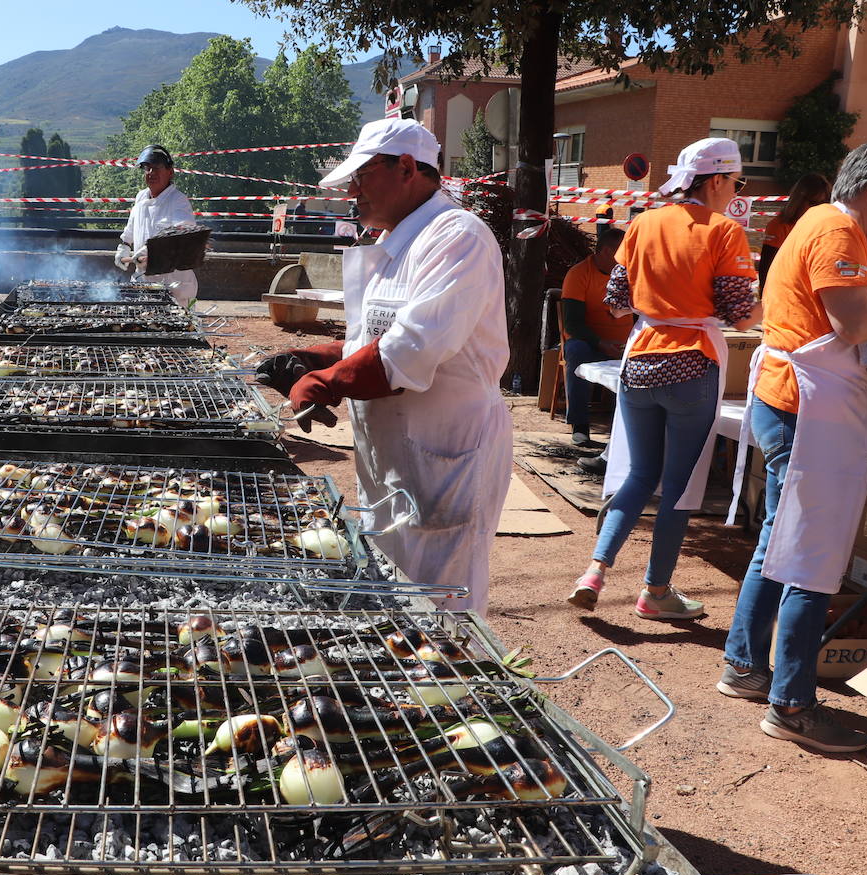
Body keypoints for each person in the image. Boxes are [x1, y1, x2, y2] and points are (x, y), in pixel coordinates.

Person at [253, 118, 510, 612]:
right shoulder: (396, 243)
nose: (353, 191)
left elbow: (411, 349)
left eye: (362, 177)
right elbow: (373, 340)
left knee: (441, 607)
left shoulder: (457, 237)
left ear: (408, 168)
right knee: (393, 594)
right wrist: (310, 359)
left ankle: (454, 688)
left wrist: (327, 381)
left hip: (446, 454)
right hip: (392, 455)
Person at [719, 138, 867, 753]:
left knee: (781, 538)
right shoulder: (838, 232)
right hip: (805, 408)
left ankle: (743, 664)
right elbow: (853, 324)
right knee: (812, 555)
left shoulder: (822, 223)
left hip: (791, 398)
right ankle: (791, 703)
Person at [567, 137, 761, 619]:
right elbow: (741, 316)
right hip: (693, 363)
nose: (734, 190)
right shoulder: (724, 230)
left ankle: (594, 569)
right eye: (735, 182)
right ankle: (655, 592)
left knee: (639, 474)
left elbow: (617, 300)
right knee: (678, 485)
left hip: (641, 360)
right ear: (716, 180)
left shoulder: (644, 221)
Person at [560, 226, 632, 446]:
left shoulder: (631, 274)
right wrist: (601, 344)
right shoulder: (579, 274)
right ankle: (580, 424)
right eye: (624, 251)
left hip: (626, 345)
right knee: (576, 351)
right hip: (591, 344)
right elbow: (572, 323)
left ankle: (632, 431)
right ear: (608, 252)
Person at [114, 145, 198, 305]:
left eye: (157, 168)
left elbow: (184, 233)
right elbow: (131, 229)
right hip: (143, 283)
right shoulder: (140, 197)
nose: (151, 173)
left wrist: (151, 250)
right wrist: (123, 247)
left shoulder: (178, 200)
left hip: (173, 286)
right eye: (147, 168)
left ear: (170, 172)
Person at [758, 174, 832, 289]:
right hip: (784, 294)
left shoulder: (826, 229)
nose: (819, 208)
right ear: (799, 200)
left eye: (824, 203)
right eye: (814, 203)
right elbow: (766, 270)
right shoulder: (779, 226)